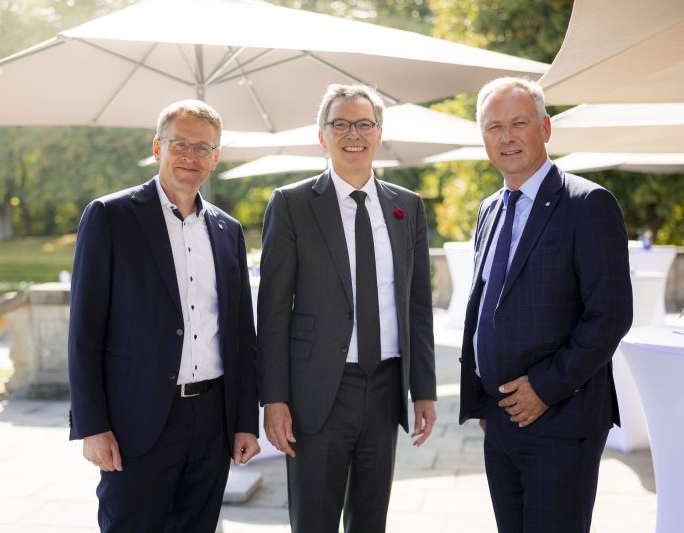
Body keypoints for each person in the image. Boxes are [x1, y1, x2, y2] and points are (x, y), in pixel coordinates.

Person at [67, 100, 260, 532]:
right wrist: (92, 426)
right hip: (138, 419)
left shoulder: (229, 231)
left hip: (213, 419)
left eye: (203, 148)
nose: (191, 157)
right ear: (157, 148)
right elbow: (84, 332)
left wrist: (246, 422)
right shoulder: (110, 217)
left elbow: (241, 336)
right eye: (181, 144)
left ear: (216, 157)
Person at [257, 84, 437, 533]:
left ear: (379, 134)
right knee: (314, 521)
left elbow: (418, 305)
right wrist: (273, 399)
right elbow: (273, 311)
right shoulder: (292, 204)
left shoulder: (408, 207)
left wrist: (425, 390)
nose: (352, 134)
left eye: (363, 124)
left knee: (370, 520)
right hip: (317, 393)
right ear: (322, 136)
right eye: (340, 124)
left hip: (385, 388)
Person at [458, 77, 633, 533]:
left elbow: (610, 314)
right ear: (483, 137)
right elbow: (485, 307)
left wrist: (544, 389)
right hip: (499, 421)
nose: (507, 137)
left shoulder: (588, 203)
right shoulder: (489, 209)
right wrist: (483, 400)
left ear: (546, 128)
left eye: (519, 123)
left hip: (561, 420)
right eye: (494, 127)